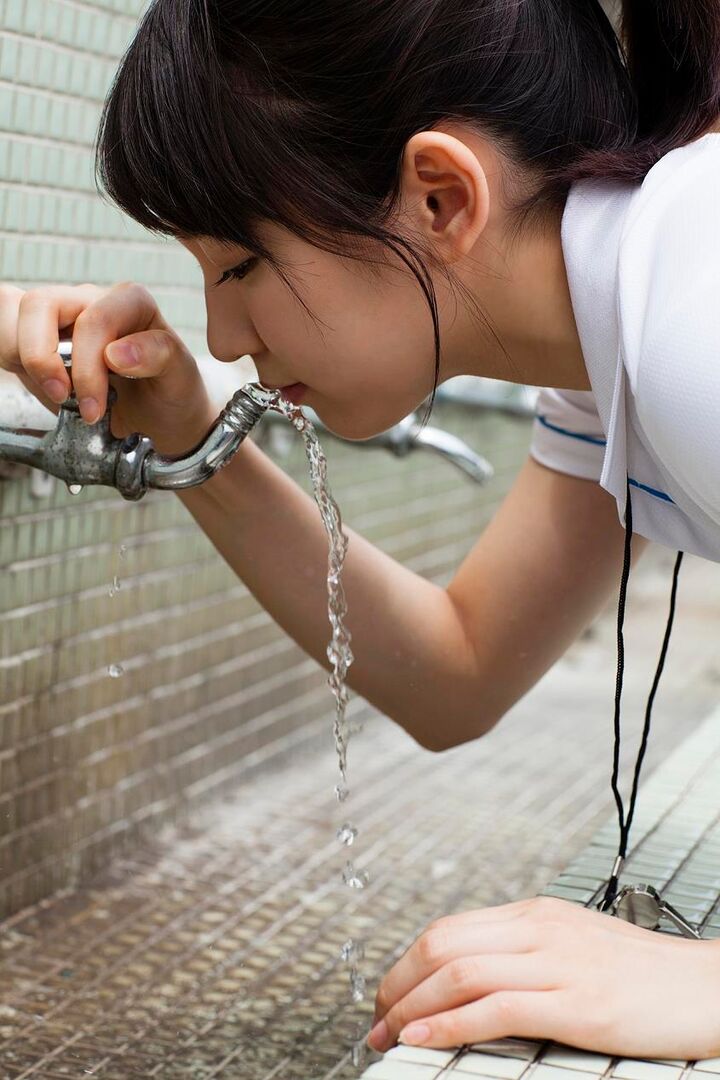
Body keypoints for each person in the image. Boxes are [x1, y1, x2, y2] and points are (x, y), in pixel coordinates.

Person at [1, 0, 720, 1062]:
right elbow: (457, 672)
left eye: (240, 266)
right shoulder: (616, 337)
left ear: (440, 197)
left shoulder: (693, 320)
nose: (223, 336)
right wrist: (189, 433)